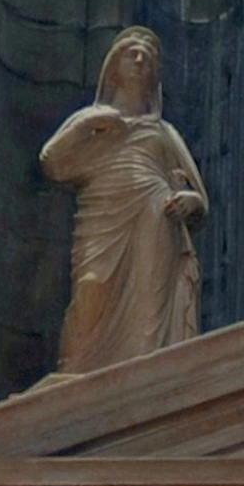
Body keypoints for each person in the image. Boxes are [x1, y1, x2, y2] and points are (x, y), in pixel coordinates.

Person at [40, 26, 206, 375]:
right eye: (132, 52)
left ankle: (146, 376)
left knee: (149, 307)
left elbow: (198, 196)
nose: (140, 58)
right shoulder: (89, 121)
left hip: (154, 220)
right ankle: (77, 375)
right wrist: (89, 125)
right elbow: (53, 163)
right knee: (91, 289)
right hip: (101, 218)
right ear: (113, 65)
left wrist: (190, 200)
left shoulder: (164, 132)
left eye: (148, 56)